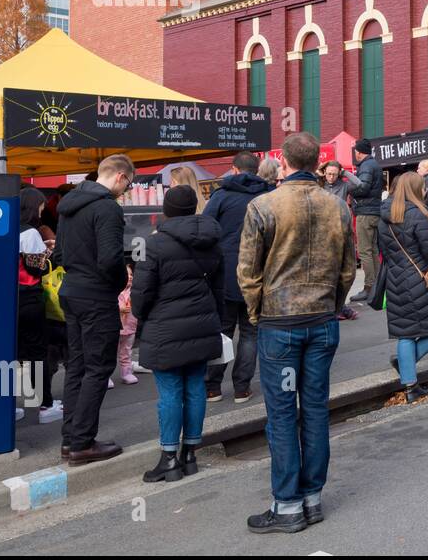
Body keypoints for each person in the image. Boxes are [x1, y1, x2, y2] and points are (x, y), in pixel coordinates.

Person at [237, 132, 356, 534]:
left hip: (280, 323)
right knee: (317, 410)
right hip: (321, 320)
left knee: (284, 414)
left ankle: (287, 505)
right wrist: (334, 305)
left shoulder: (263, 206)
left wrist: (257, 314)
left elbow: (248, 272)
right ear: (315, 163)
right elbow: (348, 267)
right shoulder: (336, 206)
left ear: (284, 162)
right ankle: (311, 498)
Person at [130, 185, 225, 484]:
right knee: (195, 387)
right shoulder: (212, 240)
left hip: (165, 326)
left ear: (166, 211)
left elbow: (141, 294)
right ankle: (190, 455)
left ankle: (169, 459)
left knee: (170, 391)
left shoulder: (152, 245)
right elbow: (220, 288)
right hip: (202, 322)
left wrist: (141, 317)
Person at [53, 154, 133, 465]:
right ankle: (82, 443)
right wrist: (115, 286)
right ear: (121, 177)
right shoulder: (107, 208)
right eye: (128, 184)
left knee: (77, 366)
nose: (126, 190)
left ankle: (70, 439)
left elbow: (59, 254)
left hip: (71, 290)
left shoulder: (69, 206)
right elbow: (111, 258)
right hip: (96, 294)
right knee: (98, 368)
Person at [380, 172, 428, 402]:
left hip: (394, 280)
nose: (426, 191)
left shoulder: (383, 214)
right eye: (423, 188)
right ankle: (407, 364)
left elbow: (382, 249)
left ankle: (411, 385)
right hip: (419, 278)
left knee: (405, 333)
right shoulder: (417, 214)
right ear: (414, 189)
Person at [202, 151, 270, 403]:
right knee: (251, 333)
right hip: (259, 273)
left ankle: (213, 386)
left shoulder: (221, 196)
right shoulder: (267, 196)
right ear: (257, 170)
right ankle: (242, 387)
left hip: (226, 273)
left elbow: (205, 230)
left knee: (224, 330)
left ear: (234, 169)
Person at [17, 186, 63, 424]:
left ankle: (8, 407)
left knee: (11, 353)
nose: (43, 210)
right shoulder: (30, 233)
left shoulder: (6, 229)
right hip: (29, 297)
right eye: (41, 206)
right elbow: (36, 267)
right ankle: (45, 405)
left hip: (9, 299)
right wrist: (49, 252)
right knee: (37, 353)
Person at [347, 139, 385, 303]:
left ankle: (369, 287)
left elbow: (362, 187)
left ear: (359, 151)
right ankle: (377, 285)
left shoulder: (367, 166)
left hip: (366, 212)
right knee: (373, 250)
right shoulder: (373, 164)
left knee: (365, 251)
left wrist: (348, 189)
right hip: (374, 212)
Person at [116, 265, 139, 385]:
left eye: (131, 274)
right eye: (127, 275)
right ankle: (104, 376)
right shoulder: (114, 291)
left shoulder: (134, 291)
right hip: (115, 328)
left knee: (126, 351)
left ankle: (126, 373)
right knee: (108, 354)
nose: (130, 277)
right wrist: (120, 308)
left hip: (130, 327)